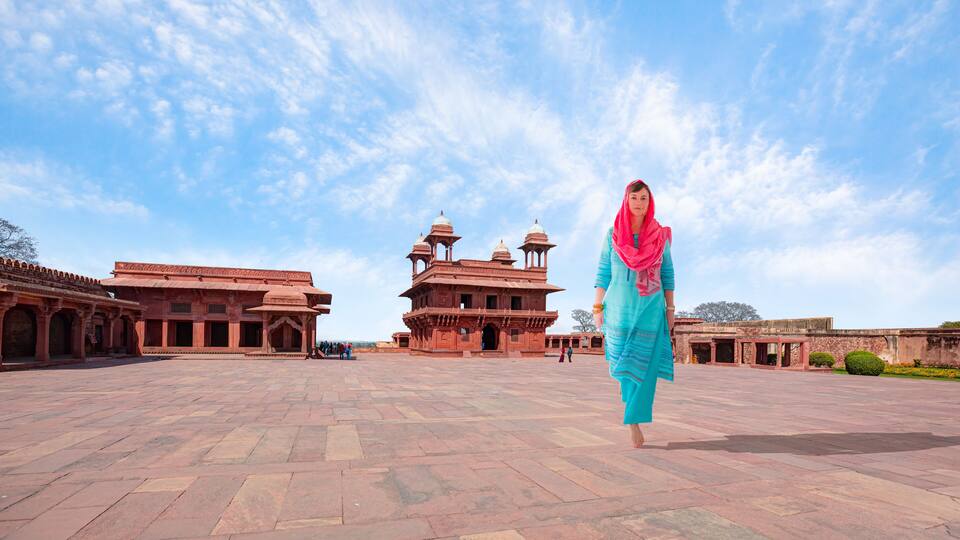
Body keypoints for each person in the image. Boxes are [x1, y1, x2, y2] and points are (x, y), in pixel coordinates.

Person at [594, 179, 675, 449]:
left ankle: (634, 421)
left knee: (645, 366)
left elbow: (667, 274)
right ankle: (633, 419)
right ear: (626, 201)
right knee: (624, 367)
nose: (639, 203)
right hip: (617, 309)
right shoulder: (613, 235)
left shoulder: (660, 235)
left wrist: (671, 308)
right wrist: (597, 307)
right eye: (635, 198)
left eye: (644, 198)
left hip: (650, 308)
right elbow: (603, 272)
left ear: (650, 202)